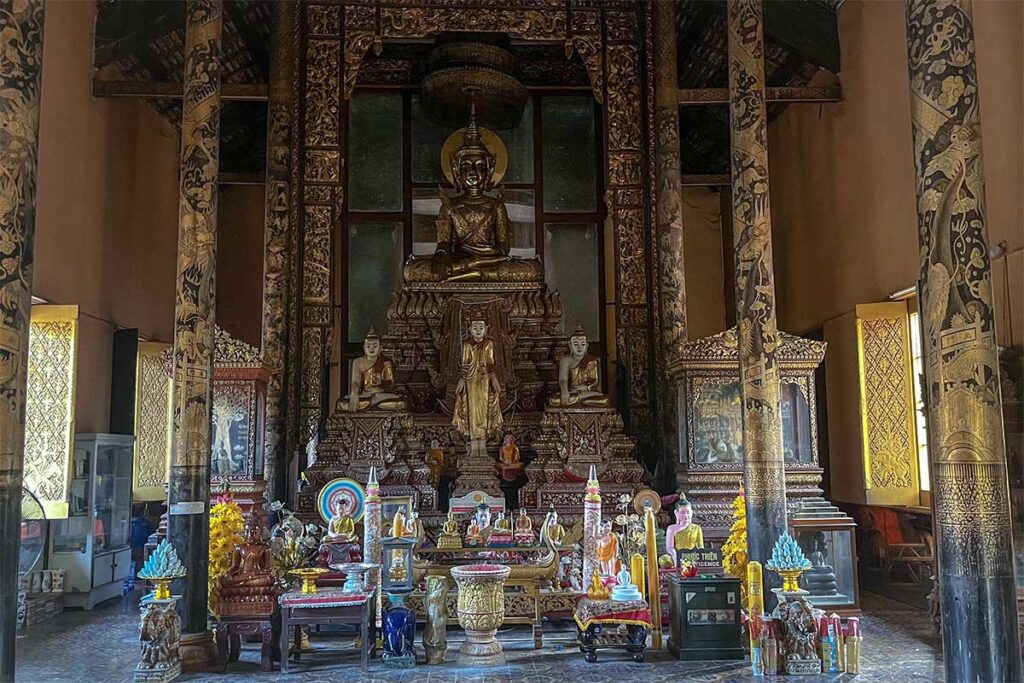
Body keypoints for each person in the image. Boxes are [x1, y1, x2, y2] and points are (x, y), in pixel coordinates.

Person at [453, 319, 503, 458]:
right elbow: (465, 363)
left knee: (485, 411)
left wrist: (493, 379)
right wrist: (462, 379)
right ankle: (474, 446)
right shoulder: (467, 344)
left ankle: (483, 447)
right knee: (471, 411)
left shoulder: (489, 344)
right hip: (470, 381)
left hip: (485, 380)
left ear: (486, 329)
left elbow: (490, 362)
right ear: (470, 329)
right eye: (475, 327)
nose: (478, 330)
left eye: (481, 327)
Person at [666, 495, 705, 566]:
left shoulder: (696, 528)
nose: (686, 515)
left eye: (688, 512)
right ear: (676, 513)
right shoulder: (671, 529)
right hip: (677, 557)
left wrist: (701, 558)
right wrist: (676, 556)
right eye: (683, 512)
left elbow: (700, 547)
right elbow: (669, 547)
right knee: (665, 560)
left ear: (692, 512)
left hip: (692, 558)